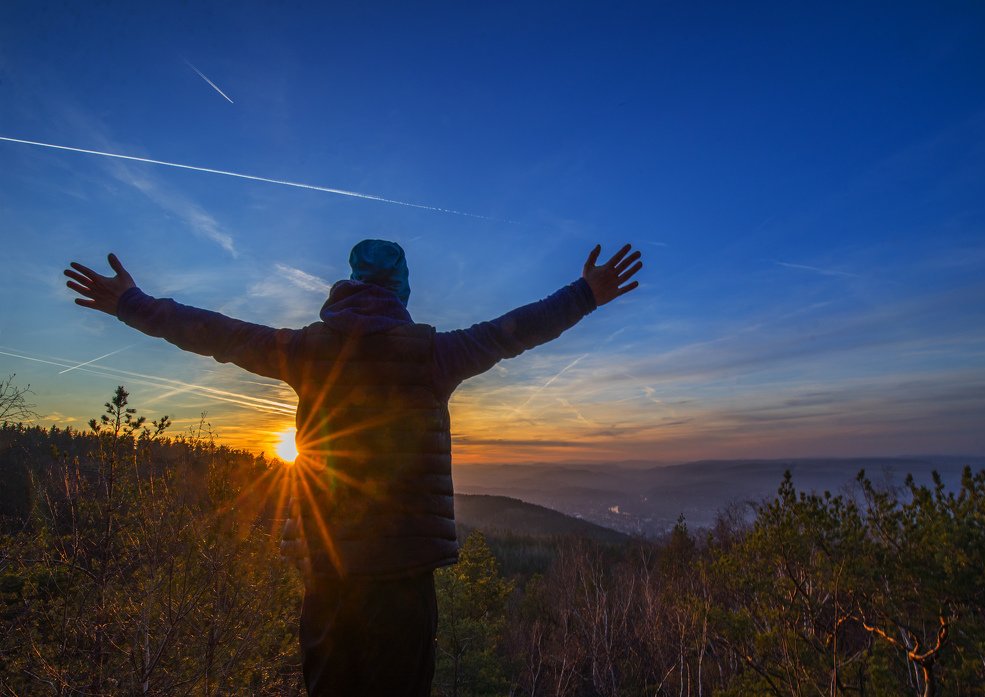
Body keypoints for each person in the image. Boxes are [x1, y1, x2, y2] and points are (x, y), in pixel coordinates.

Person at [64, 240, 642, 696]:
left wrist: (130, 303)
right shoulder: (434, 354)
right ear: (402, 291)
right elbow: (515, 331)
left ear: (346, 286)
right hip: (404, 571)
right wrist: (585, 294)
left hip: (328, 567)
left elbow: (215, 333)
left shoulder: (307, 350)